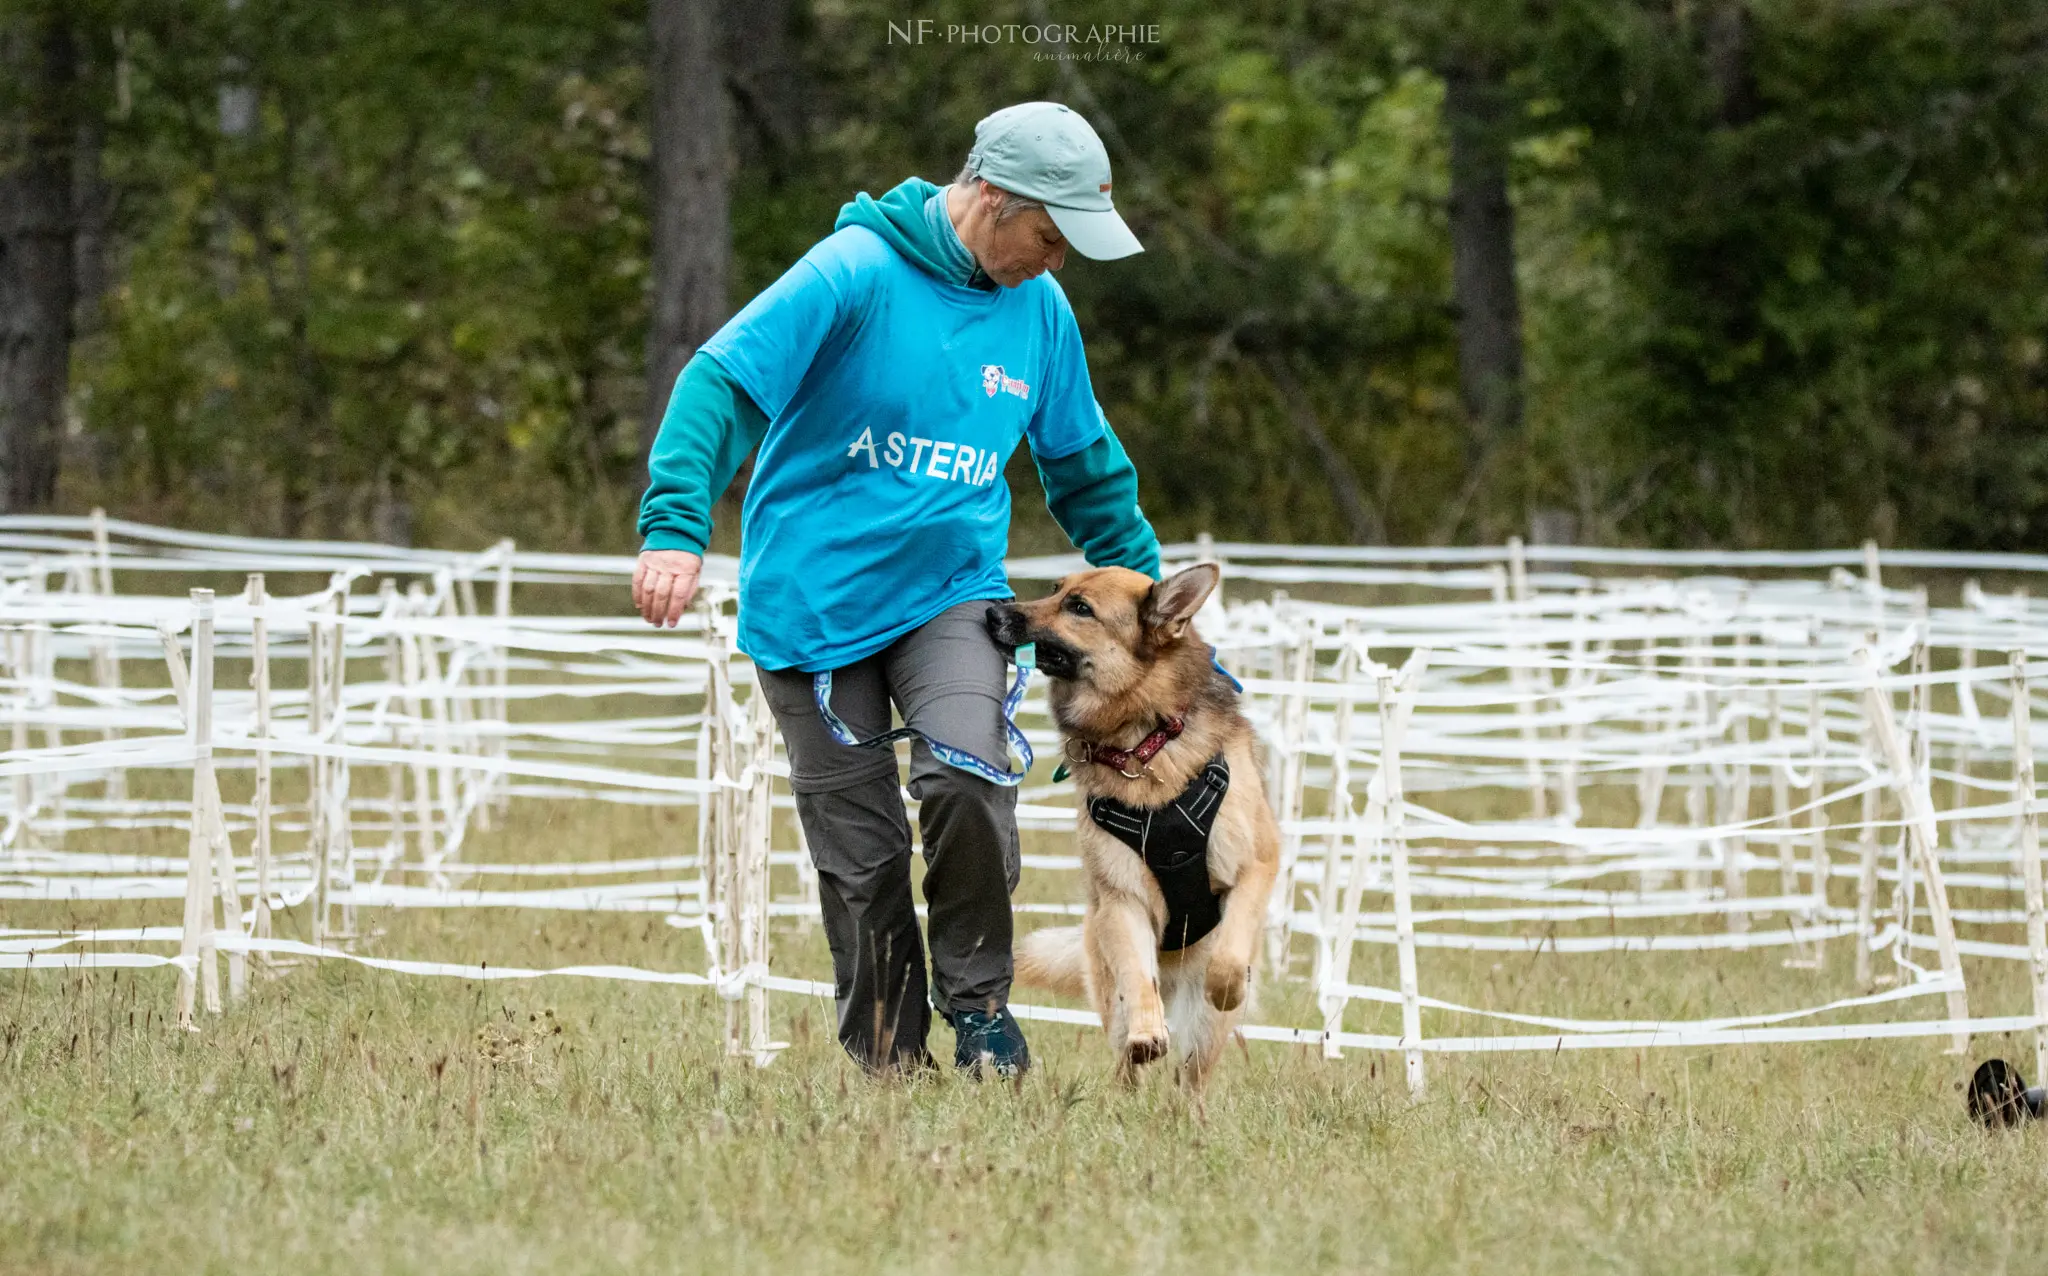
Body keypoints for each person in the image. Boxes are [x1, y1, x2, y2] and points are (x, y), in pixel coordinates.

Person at [633, 102, 1160, 1078]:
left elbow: (1086, 470)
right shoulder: (853, 273)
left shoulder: (1039, 311)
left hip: (950, 594)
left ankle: (981, 1007)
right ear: (991, 197)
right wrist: (674, 525)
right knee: (862, 853)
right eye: (1047, 235)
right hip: (812, 609)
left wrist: (1154, 608)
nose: (1054, 261)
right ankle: (888, 1055)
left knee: (967, 776)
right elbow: (717, 383)